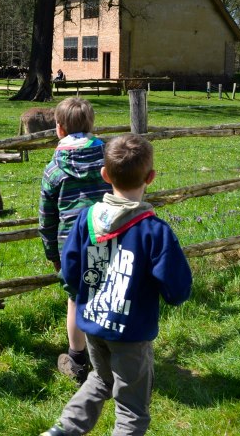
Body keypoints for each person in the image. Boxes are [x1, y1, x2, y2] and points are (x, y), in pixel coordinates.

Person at [41, 134, 193, 436]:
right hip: (131, 332)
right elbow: (177, 290)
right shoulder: (153, 231)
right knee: (132, 409)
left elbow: (70, 273)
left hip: (93, 324)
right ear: (150, 177)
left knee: (100, 379)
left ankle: (62, 431)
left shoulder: (86, 219)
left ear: (104, 174)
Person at [39, 97, 111, 384]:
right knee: (107, 293)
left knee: (76, 299)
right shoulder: (109, 160)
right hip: (107, 237)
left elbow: (47, 217)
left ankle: (78, 360)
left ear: (59, 128)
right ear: (91, 125)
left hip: (71, 245)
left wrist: (51, 252)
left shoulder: (54, 169)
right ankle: (111, 356)